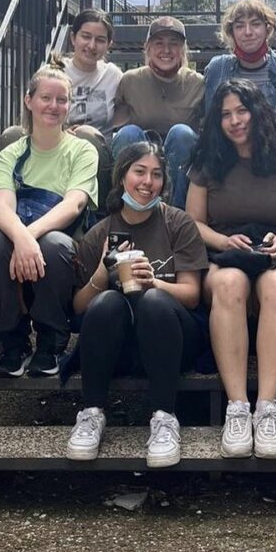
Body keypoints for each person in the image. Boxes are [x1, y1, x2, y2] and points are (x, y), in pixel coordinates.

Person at [186, 79, 276, 459]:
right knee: (228, 284)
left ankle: (267, 409)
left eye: (242, 111)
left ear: (257, 112)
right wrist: (223, 242)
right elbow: (192, 222)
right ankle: (238, 407)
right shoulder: (207, 161)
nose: (235, 120)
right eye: (225, 114)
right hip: (224, 249)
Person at [66, 142, 209, 467]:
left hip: (173, 336)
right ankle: (91, 413)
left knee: (155, 301)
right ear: (122, 178)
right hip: (119, 342)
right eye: (139, 172)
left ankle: (163, 416)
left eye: (156, 175)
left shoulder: (178, 223)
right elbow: (78, 307)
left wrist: (153, 282)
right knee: (107, 303)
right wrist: (103, 272)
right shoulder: (101, 231)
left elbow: (192, 295)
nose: (148, 182)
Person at [0, 61, 98, 378]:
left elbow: (74, 204)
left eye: (62, 100)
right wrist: (21, 239)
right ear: (29, 101)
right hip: (17, 234)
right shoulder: (11, 153)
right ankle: (12, 342)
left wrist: (27, 238)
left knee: (53, 244)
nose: (54, 106)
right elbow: (1, 204)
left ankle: (51, 342)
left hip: (63, 238)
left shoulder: (82, 150)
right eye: (46, 97)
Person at [112, 16, 203, 208]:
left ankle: (174, 215)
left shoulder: (198, 83)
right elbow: (114, 125)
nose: (166, 50)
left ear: (183, 49)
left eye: (174, 44)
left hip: (179, 156)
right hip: (141, 152)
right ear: (148, 48)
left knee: (182, 133)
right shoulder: (130, 81)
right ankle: (127, 209)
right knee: (127, 133)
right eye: (159, 43)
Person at [202, 0, 276, 146]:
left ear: (267, 29)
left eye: (255, 24)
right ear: (231, 33)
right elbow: (210, 122)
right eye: (240, 26)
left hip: (274, 151)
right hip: (227, 149)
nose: (248, 32)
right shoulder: (218, 68)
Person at [63, 8, 121, 202]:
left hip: (100, 155)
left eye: (100, 40)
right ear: (73, 38)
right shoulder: (55, 73)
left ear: (109, 44)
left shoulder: (113, 76)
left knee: (87, 136)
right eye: (85, 37)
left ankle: (99, 213)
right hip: (59, 148)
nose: (92, 45)